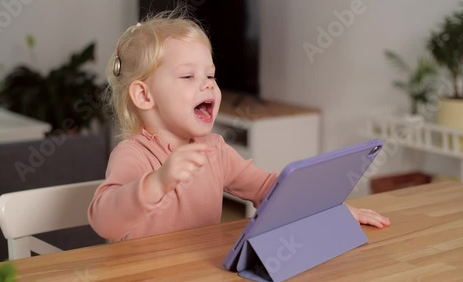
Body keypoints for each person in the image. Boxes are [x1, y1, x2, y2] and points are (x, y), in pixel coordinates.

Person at [88, 8, 390, 242]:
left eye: (210, 75)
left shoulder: (214, 149)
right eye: (188, 76)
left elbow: (265, 188)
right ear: (144, 95)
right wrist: (158, 181)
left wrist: (327, 208)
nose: (207, 86)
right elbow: (104, 221)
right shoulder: (134, 154)